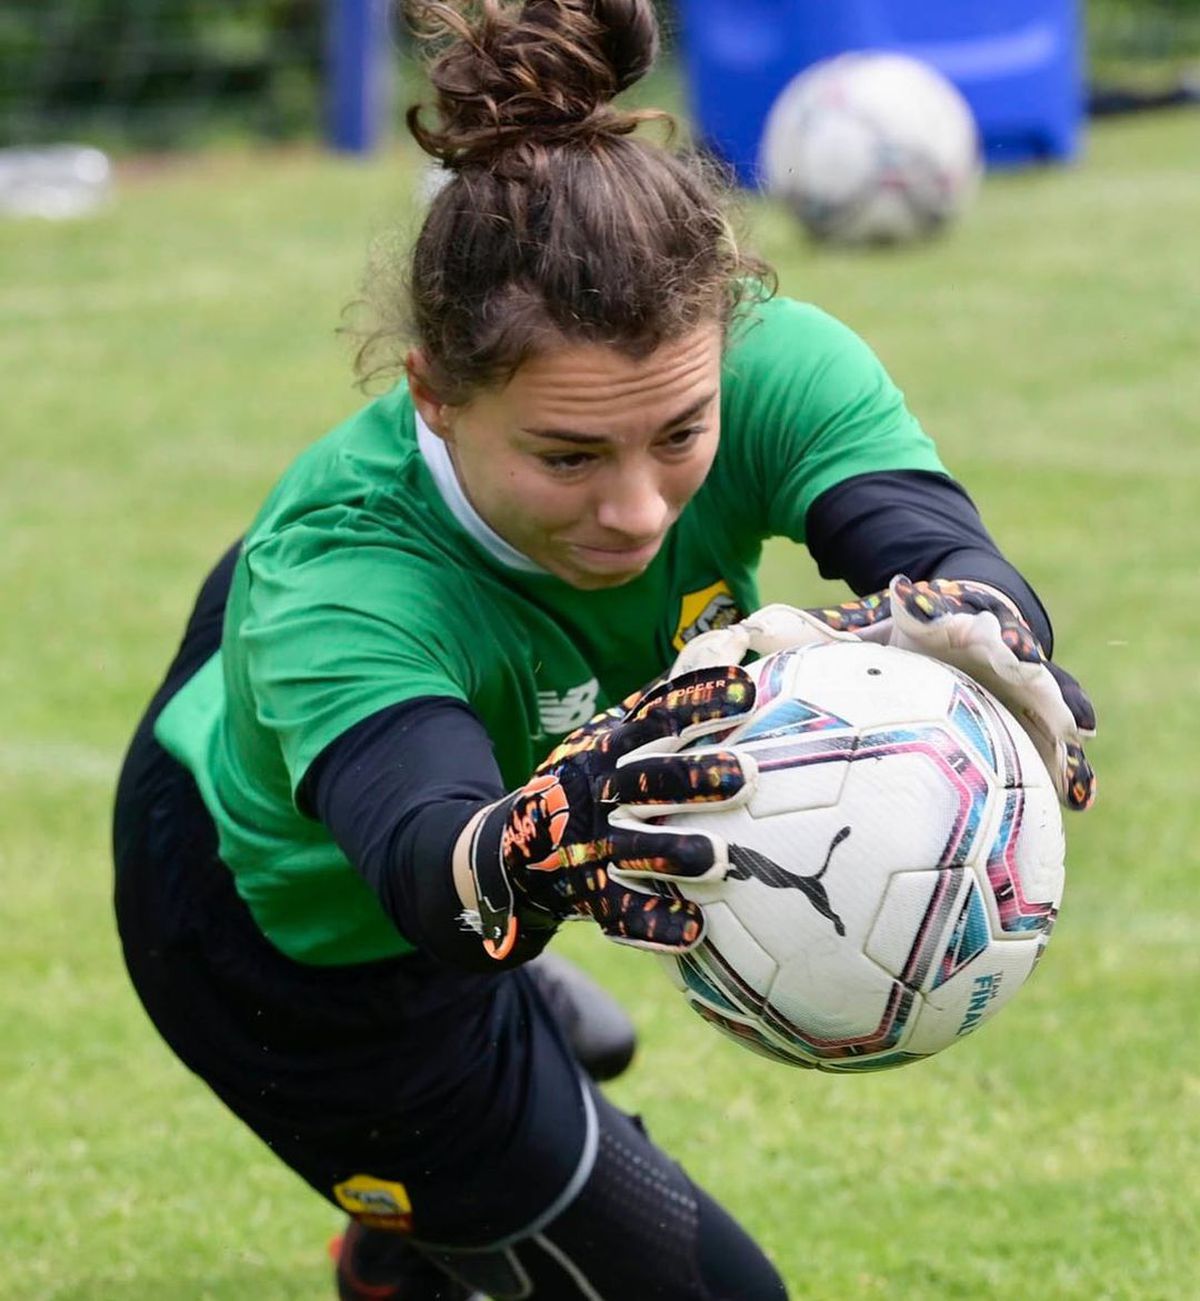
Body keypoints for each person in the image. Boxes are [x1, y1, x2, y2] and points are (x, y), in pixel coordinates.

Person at [111, 2, 1097, 1298]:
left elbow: (931, 547)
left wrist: (982, 618)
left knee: (565, 1032)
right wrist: (534, 847)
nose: (638, 509)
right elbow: (435, 859)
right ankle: (410, 1255)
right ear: (432, 394)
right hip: (286, 944)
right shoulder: (343, 580)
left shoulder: (764, 365)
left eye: (680, 435)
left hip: (378, 745)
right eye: (568, 456)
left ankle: (480, 1147)